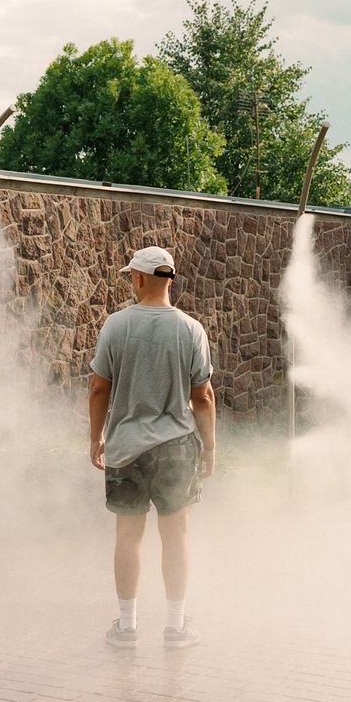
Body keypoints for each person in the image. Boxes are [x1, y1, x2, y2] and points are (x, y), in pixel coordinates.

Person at [88, 245, 216, 649]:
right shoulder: (191, 329)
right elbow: (203, 396)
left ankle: (126, 628)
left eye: (131, 276)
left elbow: (99, 388)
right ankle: (176, 628)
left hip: (126, 448)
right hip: (176, 447)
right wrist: (210, 447)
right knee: (175, 536)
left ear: (139, 278)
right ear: (169, 280)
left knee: (128, 536)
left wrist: (96, 437)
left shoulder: (115, 326)